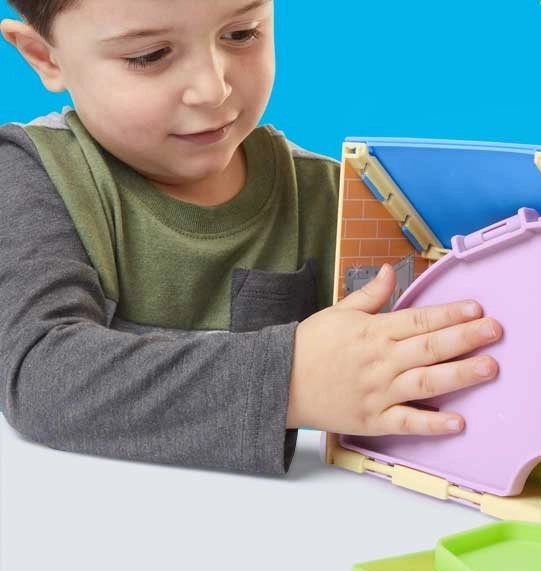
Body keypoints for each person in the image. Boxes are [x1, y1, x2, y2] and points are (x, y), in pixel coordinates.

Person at [0, 0, 502, 475]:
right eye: (149, 55)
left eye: (242, 33)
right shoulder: (36, 175)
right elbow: (40, 375)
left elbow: (430, 365)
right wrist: (292, 380)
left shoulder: (340, 199)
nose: (212, 89)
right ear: (45, 56)